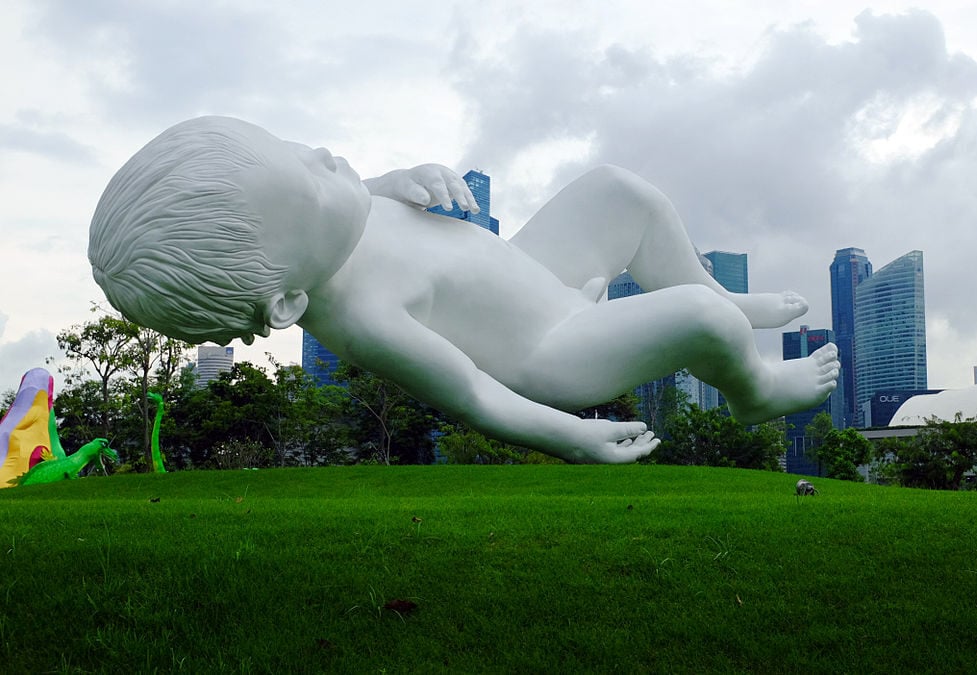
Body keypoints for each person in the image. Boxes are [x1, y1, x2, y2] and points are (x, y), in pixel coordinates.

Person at [89, 116, 839, 463]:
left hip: (536, 274)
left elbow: (367, 197)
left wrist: (404, 180)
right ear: (286, 303)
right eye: (312, 182)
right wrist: (575, 436)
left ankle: (728, 304)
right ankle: (755, 384)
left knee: (622, 193)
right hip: (554, 348)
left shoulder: (340, 216)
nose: (324, 154)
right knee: (701, 320)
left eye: (297, 151)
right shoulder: (366, 316)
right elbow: (474, 394)